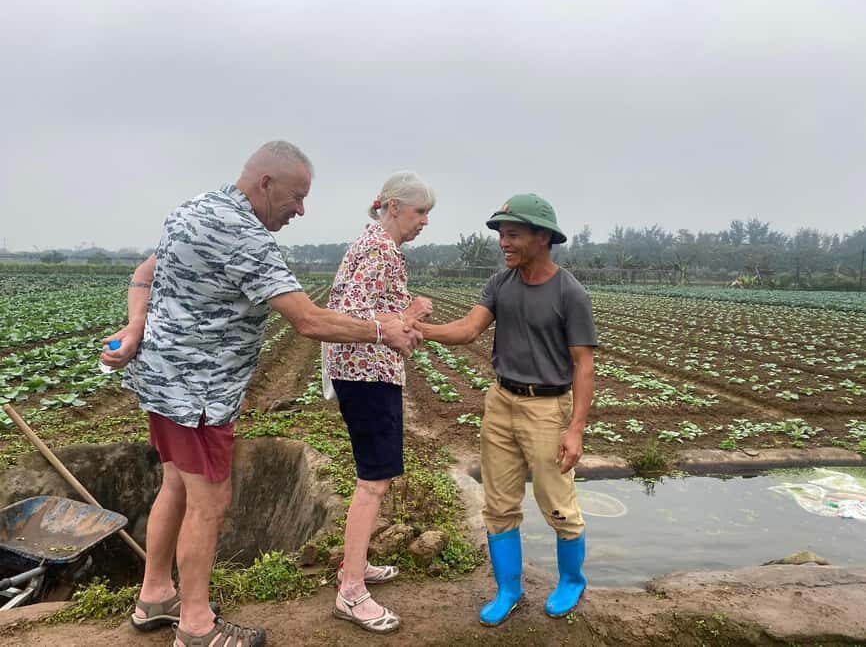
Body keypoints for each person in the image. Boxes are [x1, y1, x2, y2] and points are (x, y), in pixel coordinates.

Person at [99, 142, 422, 647]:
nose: (301, 210)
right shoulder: (246, 237)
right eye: (296, 197)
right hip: (200, 394)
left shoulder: (196, 209)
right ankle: (196, 625)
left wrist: (136, 326)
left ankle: (155, 597)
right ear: (265, 183)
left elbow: (145, 273)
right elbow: (307, 319)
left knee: (176, 487)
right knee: (210, 502)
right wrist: (384, 331)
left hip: (162, 384)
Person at [418, 194, 597, 625]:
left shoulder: (569, 292)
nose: (504, 243)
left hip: (547, 407)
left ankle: (571, 581)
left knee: (557, 503)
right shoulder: (501, 284)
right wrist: (418, 330)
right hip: (500, 402)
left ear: (542, 237)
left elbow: (584, 363)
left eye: (513, 234)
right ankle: (509, 589)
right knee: (498, 504)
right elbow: (467, 329)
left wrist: (575, 429)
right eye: (501, 234)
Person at [324, 171, 435, 634]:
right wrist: (410, 314)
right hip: (366, 375)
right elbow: (351, 316)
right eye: (420, 212)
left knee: (376, 477)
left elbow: (365, 310)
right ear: (392, 207)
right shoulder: (380, 249)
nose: (424, 222)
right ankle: (351, 591)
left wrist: (404, 318)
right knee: (374, 481)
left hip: (365, 373)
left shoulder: (372, 245)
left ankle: (357, 563)